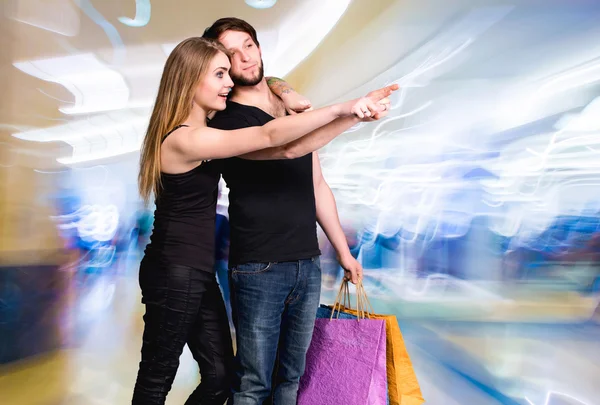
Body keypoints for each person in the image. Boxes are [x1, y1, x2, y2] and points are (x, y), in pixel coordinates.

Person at [132, 35, 395, 405]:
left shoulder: (210, 134)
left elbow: (291, 147)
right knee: (157, 377)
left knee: (220, 378)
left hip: (196, 273)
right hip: (173, 271)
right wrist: (342, 107)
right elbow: (268, 134)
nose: (229, 82)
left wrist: (350, 114)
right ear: (191, 80)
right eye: (220, 74)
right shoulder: (184, 140)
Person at [203, 17, 399, 405]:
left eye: (249, 45)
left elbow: (317, 185)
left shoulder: (288, 107)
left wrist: (343, 251)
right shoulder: (226, 123)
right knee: (253, 382)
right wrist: (350, 113)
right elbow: (286, 147)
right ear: (220, 65)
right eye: (230, 53)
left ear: (259, 48)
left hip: (306, 264)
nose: (244, 57)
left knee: (292, 380)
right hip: (258, 266)